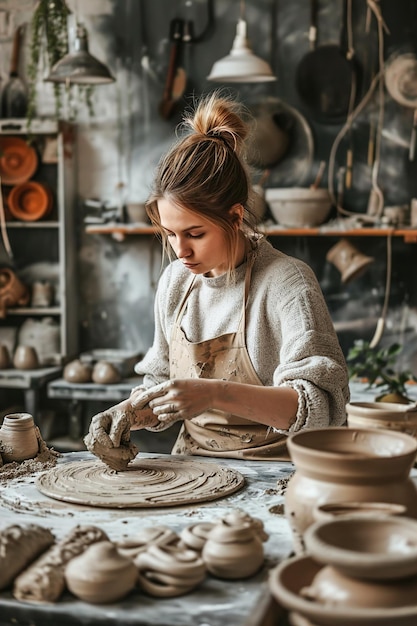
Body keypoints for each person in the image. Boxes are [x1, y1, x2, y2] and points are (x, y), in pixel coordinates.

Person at [85, 91, 350, 469]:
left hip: (279, 471)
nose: (181, 251)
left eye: (195, 234)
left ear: (236, 216)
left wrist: (213, 394)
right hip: (194, 467)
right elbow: (161, 386)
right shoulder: (176, 283)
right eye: (170, 234)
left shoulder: (288, 284)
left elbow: (322, 408)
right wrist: (129, 412)